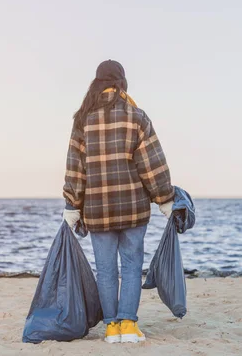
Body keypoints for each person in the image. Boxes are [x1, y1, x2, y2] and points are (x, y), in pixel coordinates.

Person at [61, 60, 175, 344]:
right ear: (122, 82)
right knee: (132, 266)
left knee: (106, 269)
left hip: (97, 210)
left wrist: (72, 204)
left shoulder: (83, 120)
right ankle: (128, 325)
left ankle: (111, 328)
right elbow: (151, 163)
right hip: (133, 206)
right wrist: (164, 198)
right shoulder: (136, 116)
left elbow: (76, 168)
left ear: (97, 83)